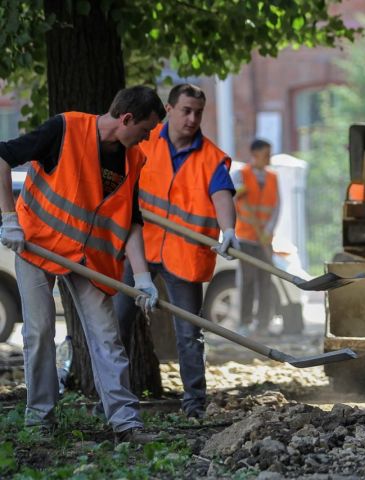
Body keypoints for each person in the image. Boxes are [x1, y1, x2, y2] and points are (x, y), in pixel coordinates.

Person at [0, 86, 165, 444]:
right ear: (126, 119)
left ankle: (126, 423)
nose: (147, 137)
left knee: (107, 335)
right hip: (37, 244)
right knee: (39, 331)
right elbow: (2, 156)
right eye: (145, 129)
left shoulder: (133, 160)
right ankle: (39, 420)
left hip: (87, 258)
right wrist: (8, 218)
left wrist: (142, 277)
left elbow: (132, 219)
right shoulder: (65, 129)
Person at [113, 83, 238, 420]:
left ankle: (194, 405)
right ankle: (112, 400)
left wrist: (229, 230)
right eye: (186, 110)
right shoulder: (143, 139)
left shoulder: (210, 157)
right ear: (168, 110)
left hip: (183, 256)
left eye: (198, 112)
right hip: (139, 247)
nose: (192, 118)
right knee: (117, 324)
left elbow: (222, 194)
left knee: (189, 334)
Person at [231, 139, 280, 336]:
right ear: (255, 154)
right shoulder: (240, 175)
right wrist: (237, 194)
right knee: (248, 281)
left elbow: (276, 207)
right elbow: (229, 198)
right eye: (266, 153)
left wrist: (268, 231)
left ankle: (263, 324)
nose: (269, 157)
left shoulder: (273, 177)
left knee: (265, 281)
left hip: (264, 239)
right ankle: (244, 323)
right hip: (245, 238)